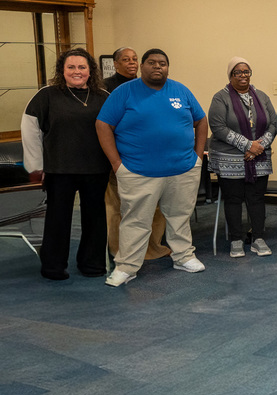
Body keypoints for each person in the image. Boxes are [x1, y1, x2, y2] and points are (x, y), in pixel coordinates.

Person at [96, 49, 208, 287]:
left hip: (182, 170)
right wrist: (117, 164)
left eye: (163, 63)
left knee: (179, 217)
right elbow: (103, 125)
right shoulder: (124, 92)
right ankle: (126, 267)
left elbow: (201, 120)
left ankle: (183, 256)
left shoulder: (181, 90)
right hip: (138, 172)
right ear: (142, 66)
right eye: (152, 62)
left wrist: (197, 157)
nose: (158, 67)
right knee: (135, 220)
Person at [21, 48, 109, 280]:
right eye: (71, 67)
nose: (76, 71)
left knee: (96, 218)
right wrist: (35, 166)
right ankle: (53, 267)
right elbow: (30, 129)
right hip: (60, 169)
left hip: (96, 168)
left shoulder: (102, 96)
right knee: (58, 219)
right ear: (62, 70)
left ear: (90, 71)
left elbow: (115, 130)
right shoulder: (47, 95)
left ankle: (92, 264)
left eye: (82, 67)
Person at [102, 46, 170, 263]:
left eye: (134, 59)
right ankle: (119, 250)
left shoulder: (151, 85)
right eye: (125, 59)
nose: (131, 63)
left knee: (156, 207)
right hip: (123, 161)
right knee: (120, 208)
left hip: (155, 161)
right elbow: (105, 126)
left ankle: (152, 247)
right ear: (115, 63)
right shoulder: (107, 89)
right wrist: (115, 161)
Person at [207, 57, 277, 258]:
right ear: (230, 75)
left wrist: (259, 146)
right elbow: (218, 127)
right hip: (230, 159)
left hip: (259, 159)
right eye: (238, 72)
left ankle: (258, 238)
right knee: (233, 199)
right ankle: (236, 240)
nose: (243, 75)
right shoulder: (220, 98)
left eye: (246, 71)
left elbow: (273, 123)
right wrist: (248, 145)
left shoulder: (261, 96)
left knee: (256, 199)